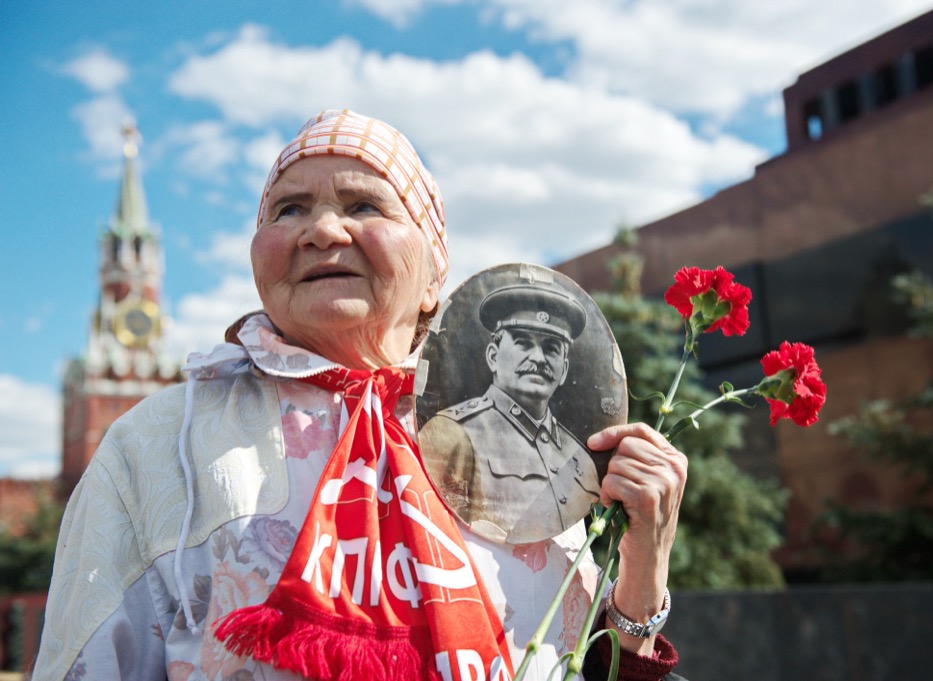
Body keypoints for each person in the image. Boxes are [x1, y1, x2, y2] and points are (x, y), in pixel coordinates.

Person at [33, 109, 688, 681]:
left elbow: (580, 665)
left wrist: (643, 569)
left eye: (363, 205)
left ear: (434, 273)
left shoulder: (522, 444)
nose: (321, 229)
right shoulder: (156, 445)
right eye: (288, 208)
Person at [419, 283, 601, 544]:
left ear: (564, 370)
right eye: (523, 343)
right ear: (493, 356)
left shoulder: (578, 457)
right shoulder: (450, 434)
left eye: (551, 348)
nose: (538, 358)